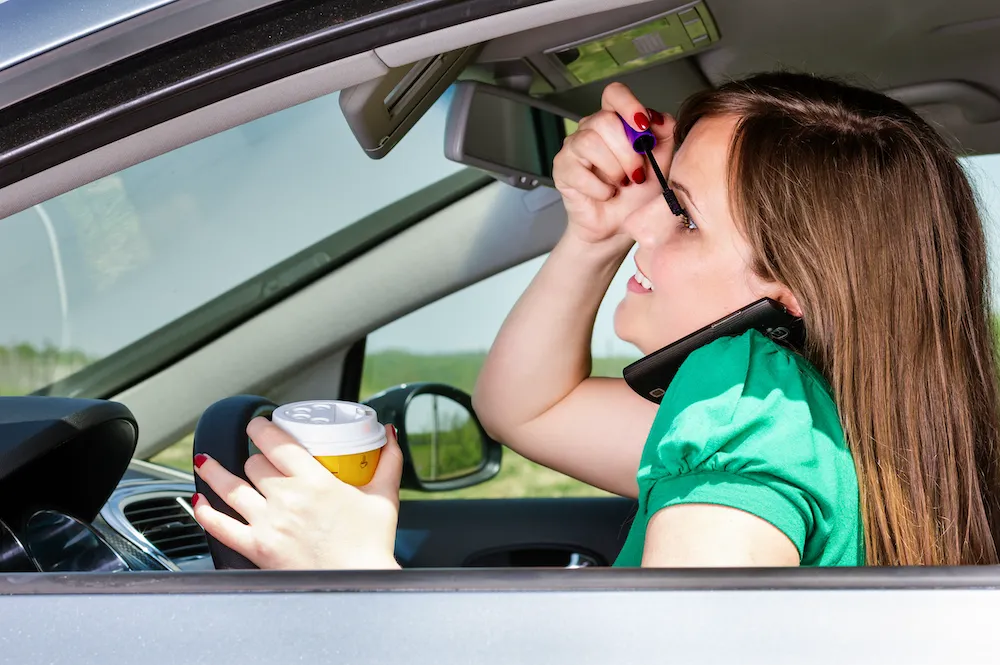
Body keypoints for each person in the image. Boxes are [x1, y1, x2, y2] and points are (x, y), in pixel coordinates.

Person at [191, 71, 1000, 568]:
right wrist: (596, 233)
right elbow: (525, 410)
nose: (649, 222)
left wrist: (359, 578)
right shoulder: (818, 423)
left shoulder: (747, 396)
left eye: (681, 212)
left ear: (787, 297)